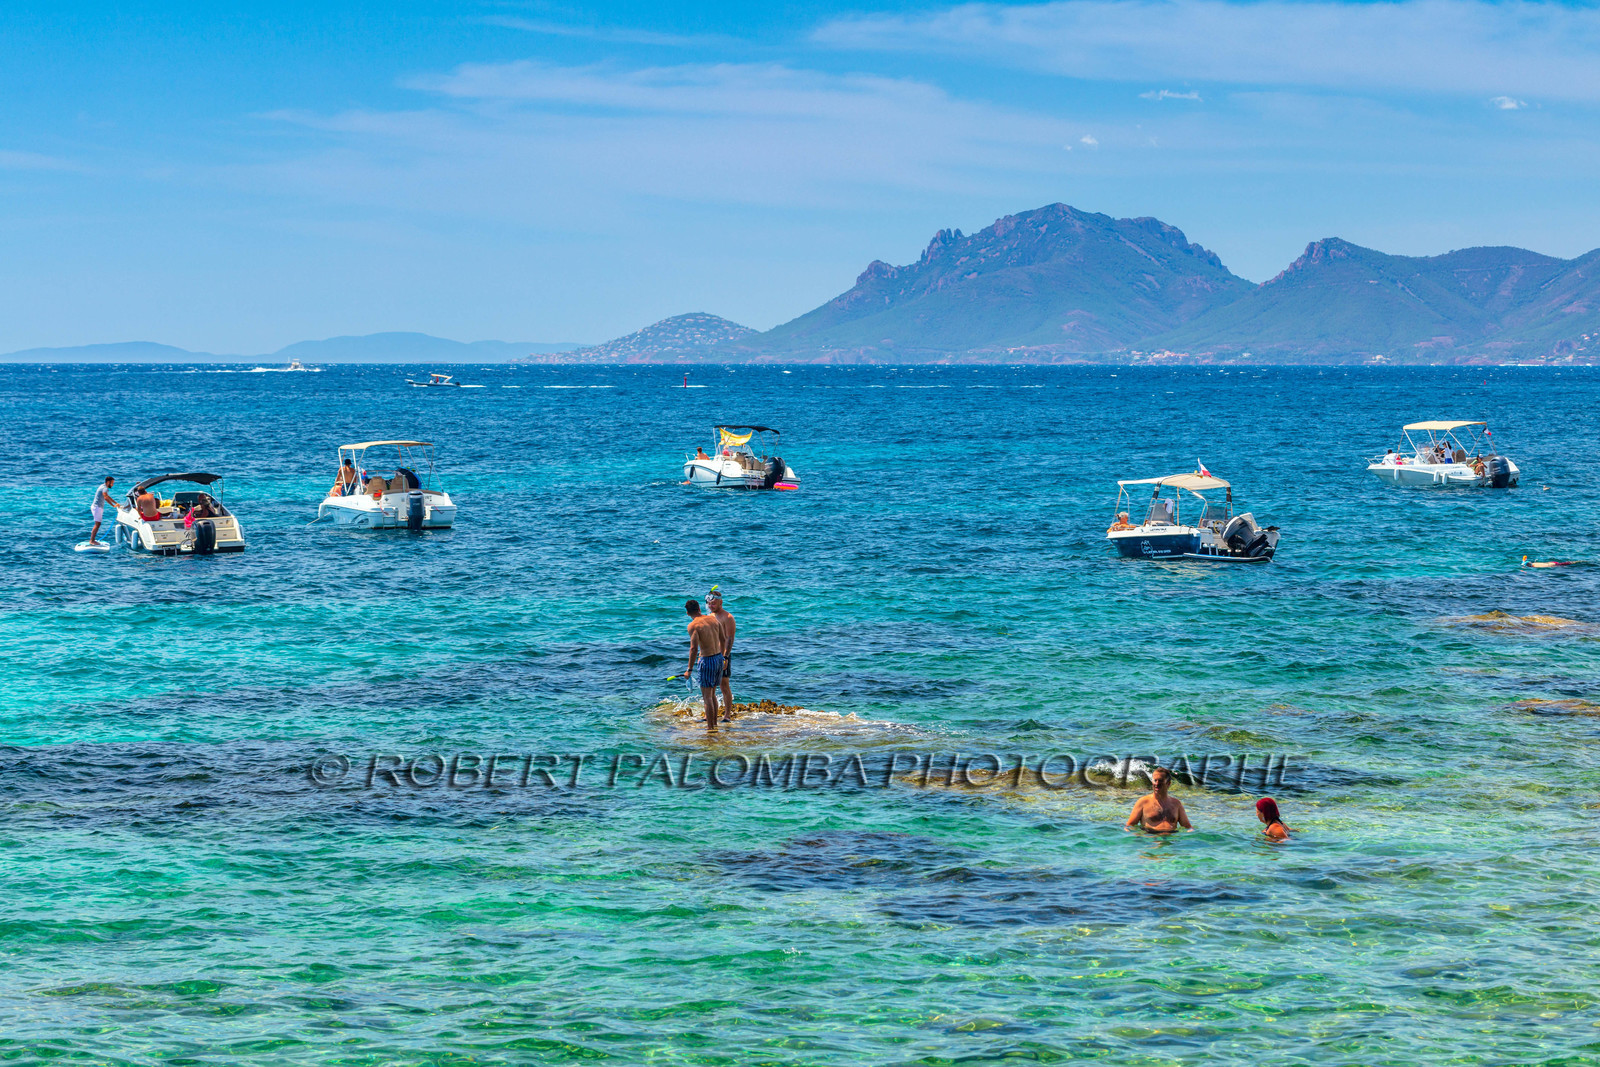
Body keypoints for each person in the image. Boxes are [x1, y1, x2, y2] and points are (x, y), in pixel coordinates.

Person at [685, 599, 726, 729]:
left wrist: (689, 669)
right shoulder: (714, 620)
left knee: (707, 697)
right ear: (699, 609)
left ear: (687, 613)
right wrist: (724, 657)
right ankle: (714, 725)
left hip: (707, 660)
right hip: (718, 658)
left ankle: (710, 729)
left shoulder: (693, 626)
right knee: (713, 694)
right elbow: (723, 639)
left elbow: (693, 649)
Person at [1124, 766, 1191, 834]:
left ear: (1168, 784)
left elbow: (1187, 826)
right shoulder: (1143, 802)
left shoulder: (1176, 804)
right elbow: (1129, 825)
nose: (1157, 784)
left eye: (1161, 781)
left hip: (1171, 840)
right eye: (1155, 780)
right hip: (1150, 838)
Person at [707, 586, 736, 720]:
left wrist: (725, 656)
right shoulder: (709, 616)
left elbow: (730, 638)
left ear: (720, 602)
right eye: (709, 603)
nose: (711, 606)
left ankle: (727, 715)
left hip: (722, 655)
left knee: (724, 685)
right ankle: (711, 715)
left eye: (714, 603)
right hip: (709, 655)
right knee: (709, 686)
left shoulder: (728, 617)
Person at [88, 477, 116, 545]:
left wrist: (115, 503)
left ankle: (92, 540)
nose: (112, 485)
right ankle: (92, 541)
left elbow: (107, 496)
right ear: (108, 482)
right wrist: (113, 505)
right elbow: (105, 497)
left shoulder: (103, 486)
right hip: (97, 507)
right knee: (97, 524)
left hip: (97, 507)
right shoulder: (105, 488)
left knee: (98, 524)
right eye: (112, 483)